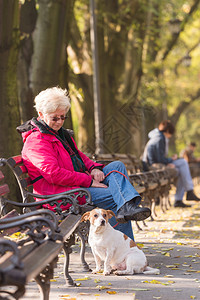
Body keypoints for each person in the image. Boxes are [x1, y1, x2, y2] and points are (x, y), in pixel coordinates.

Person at [17, 86, 151, 241]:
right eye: (55, 118)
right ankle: (124, 247)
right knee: (115, 199)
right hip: (59, 195)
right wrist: (89, 181)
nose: (59, 122)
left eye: (63, 117)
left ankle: (127, 209)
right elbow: (53, 174)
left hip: (74, 186)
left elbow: (79, 156)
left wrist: (93, 168)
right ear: (41, 114)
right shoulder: (37, 141)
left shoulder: (58, 134)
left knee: (117, 166)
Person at [142, 120, 200, 208]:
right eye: (170, 134)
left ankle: (185, 195)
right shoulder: (160, 138)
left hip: (154, 164)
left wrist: (169, 160)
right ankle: (185, 194)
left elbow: (159, 157)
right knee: (182, 165)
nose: (170, 137)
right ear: (168, 131)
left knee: (181, 168)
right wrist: (169, 161)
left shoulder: (157, 136)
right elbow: (158, 159)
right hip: (153, 166)